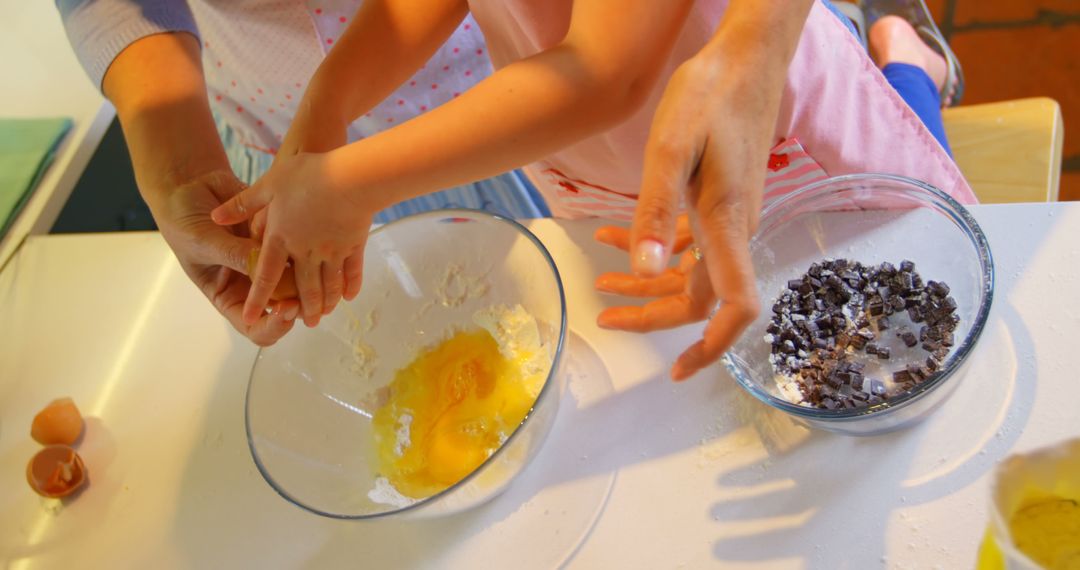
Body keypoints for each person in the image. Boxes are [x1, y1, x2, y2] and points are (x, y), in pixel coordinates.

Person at [208, 0, 974, 378]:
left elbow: (606, 68)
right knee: (750, 350)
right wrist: (324, 110)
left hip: (762, 125)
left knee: (908, 306)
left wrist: (345, 184)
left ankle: (908, 60)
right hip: (594, 163)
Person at [56, 0, 541, 344]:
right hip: (276, 147)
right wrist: (182, 174)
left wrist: (342, 157)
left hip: (483, 121)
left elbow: (600, 74)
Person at [594, 6, 968, 381]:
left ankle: (907, 58)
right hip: (598, 170)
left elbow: (594, 70)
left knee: (906, 216)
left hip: (759, 61)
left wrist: (750, 55)